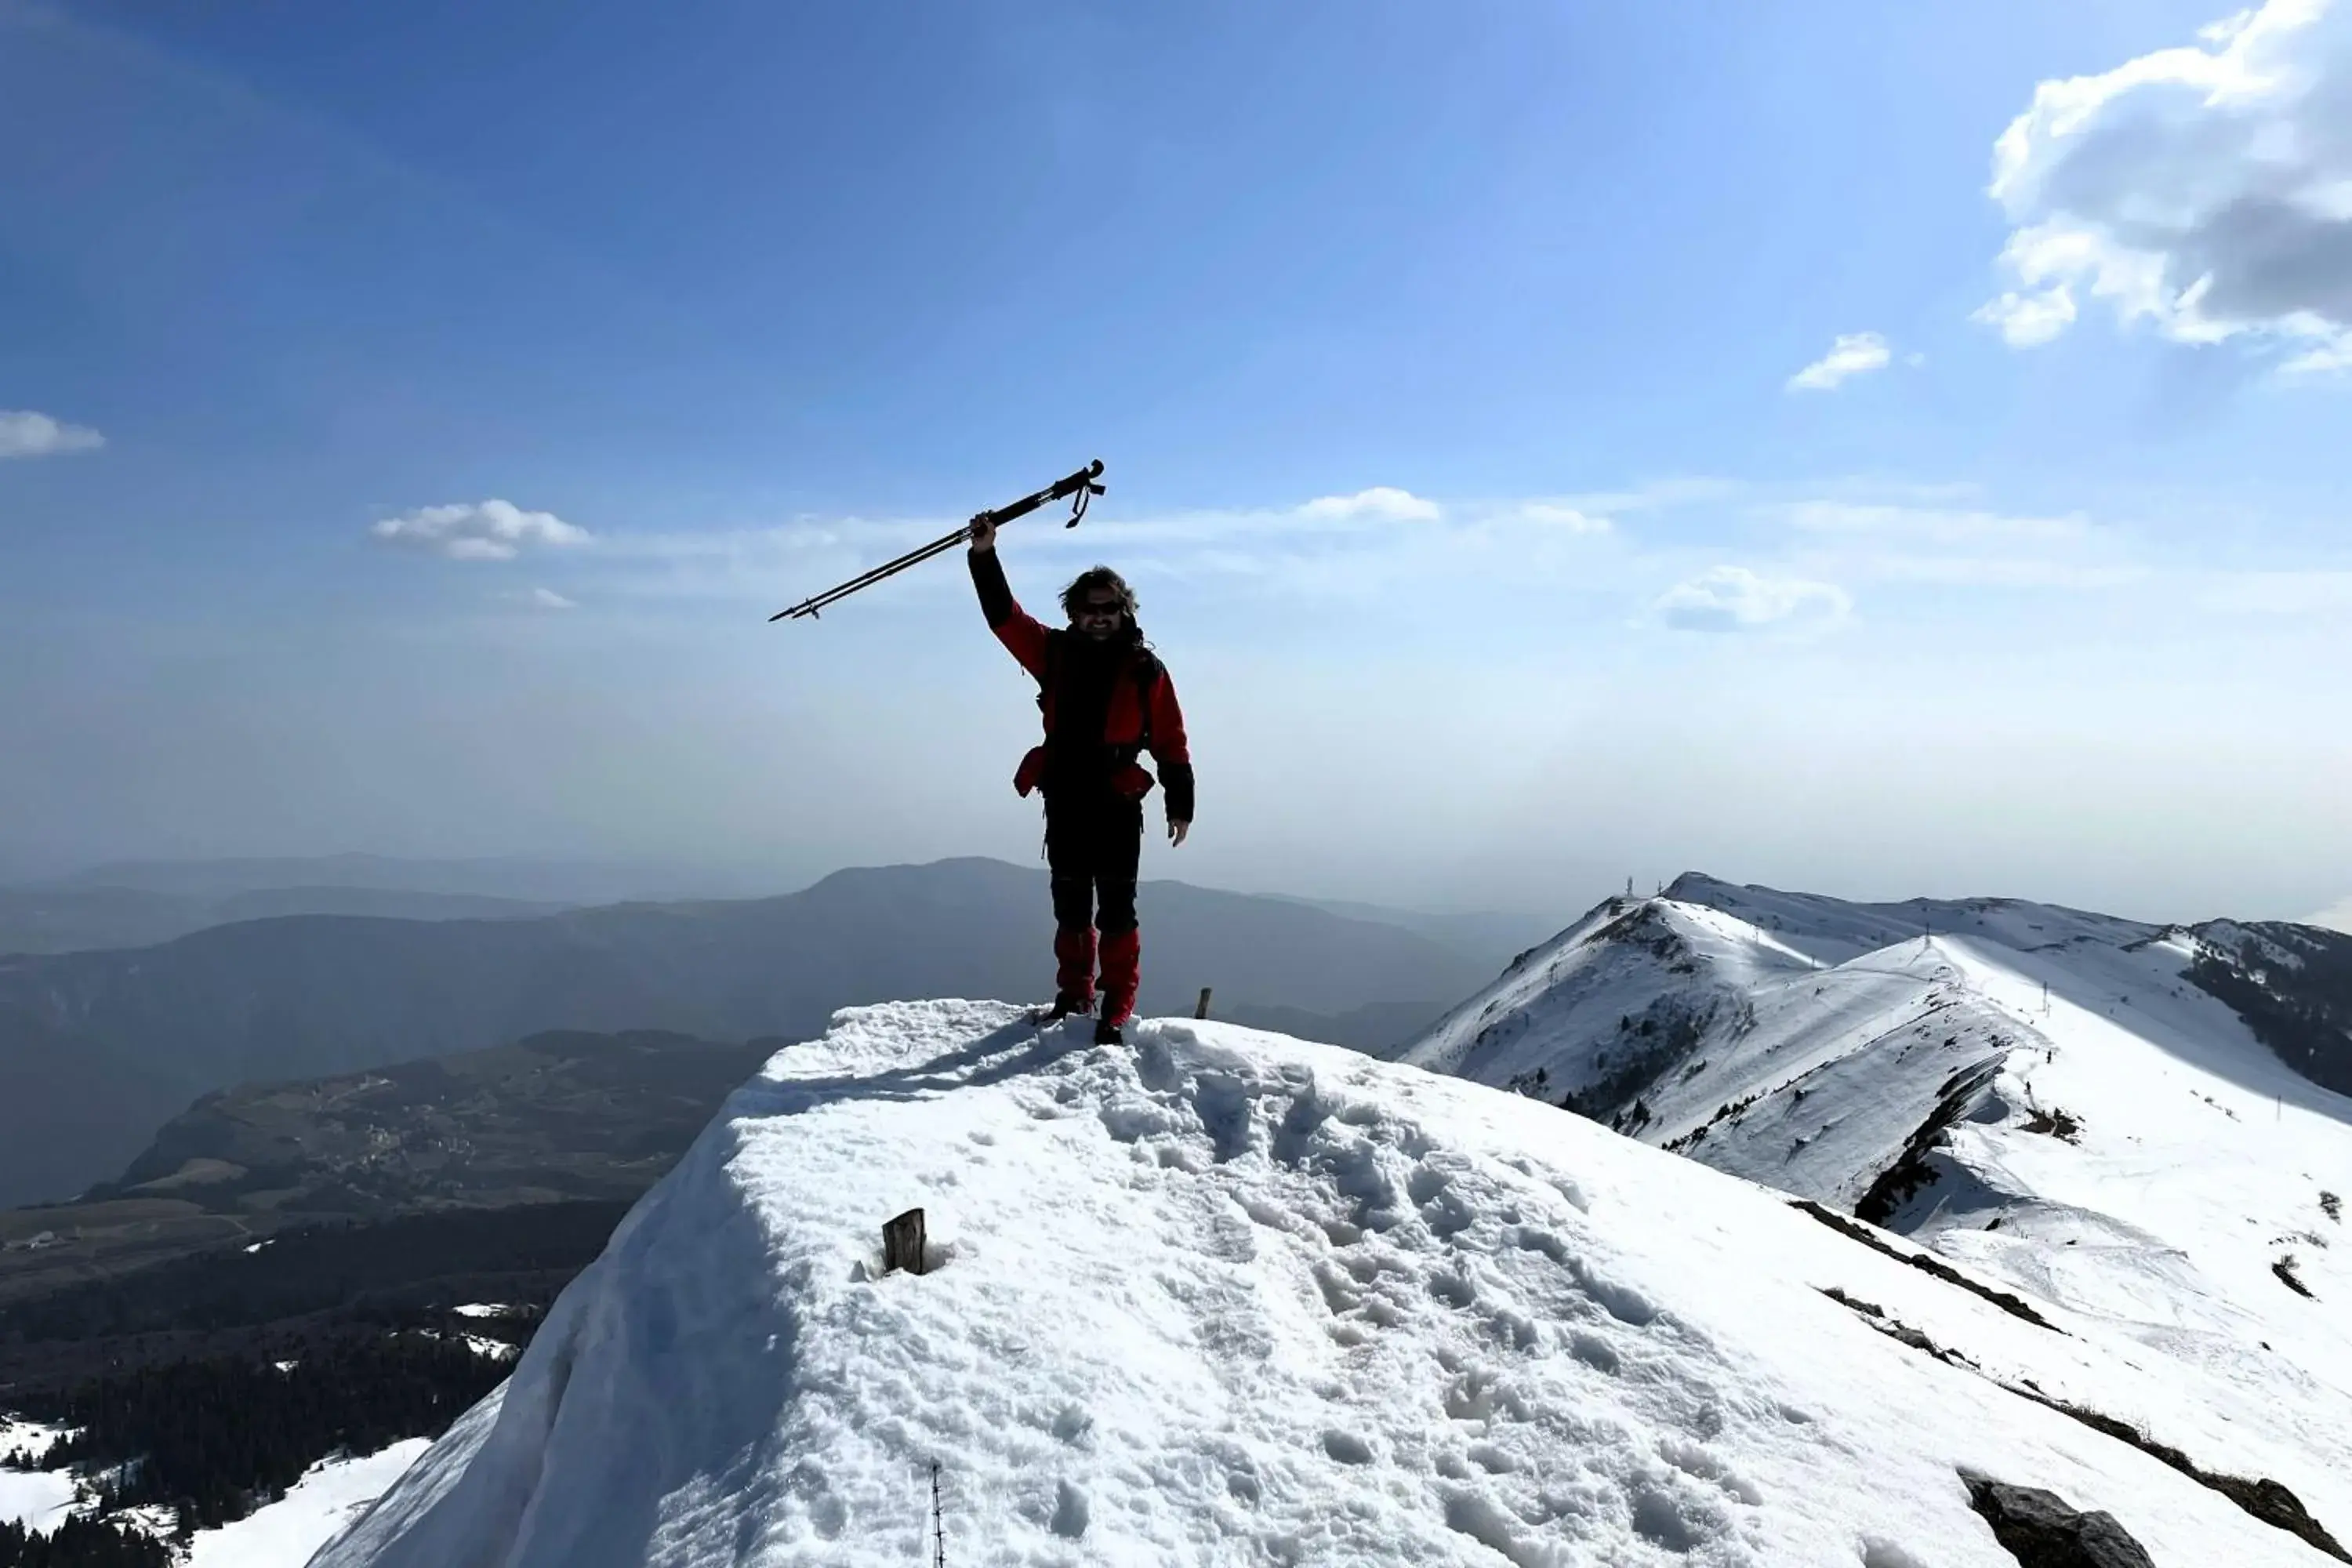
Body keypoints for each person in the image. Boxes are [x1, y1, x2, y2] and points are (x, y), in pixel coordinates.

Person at [968, 512, 1192, 1044]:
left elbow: (1170, 739)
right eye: (1088, 609)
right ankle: (1074, 994)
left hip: (1114, 798)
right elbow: (1004, 617)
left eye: (1109, 609)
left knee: (1116, 906)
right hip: (1067, 792)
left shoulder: (1146, 670)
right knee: (1069, 901)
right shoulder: (1054, 653)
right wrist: (984, 555)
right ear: (1073, 612)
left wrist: (1180, 801)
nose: (1098, 618)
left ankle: (1116, 1003)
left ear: (1124, 611)